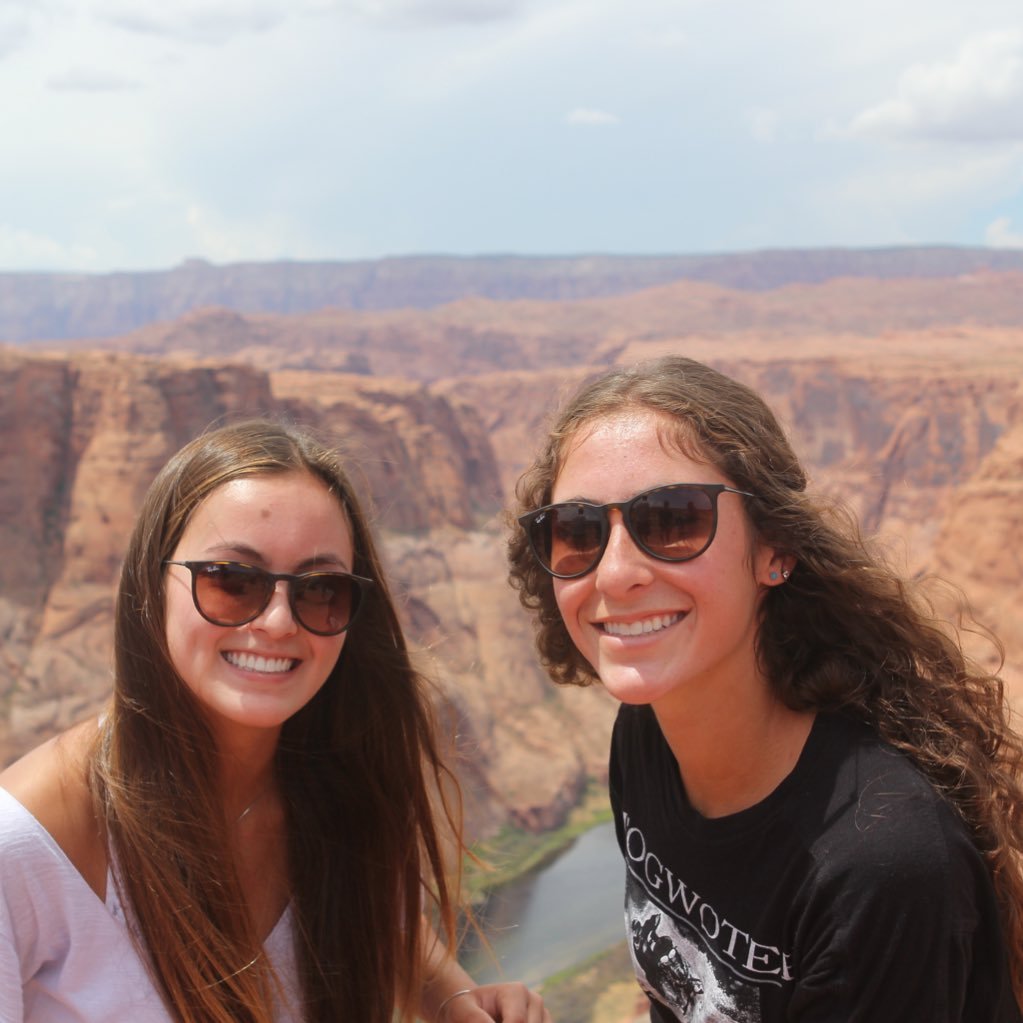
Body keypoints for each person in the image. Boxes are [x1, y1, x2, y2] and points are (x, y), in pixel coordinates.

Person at [508, 355, 1023, 1022]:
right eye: (577, 531)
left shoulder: (879, 864)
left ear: (774, 548)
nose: (614, 573)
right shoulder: (646, 736)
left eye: (670, 520)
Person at [1, 419, 550, 1023]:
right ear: (151, 584)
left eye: (321, 590)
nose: (280, 621)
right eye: (233, 581)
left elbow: (385, 925)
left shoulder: (334, 785)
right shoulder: (23, 849)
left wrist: (453, 1002)